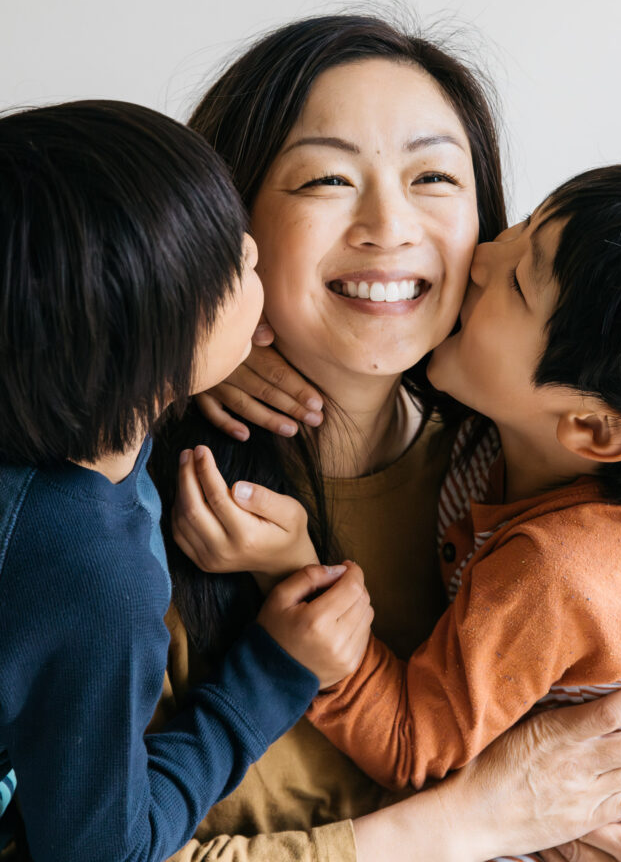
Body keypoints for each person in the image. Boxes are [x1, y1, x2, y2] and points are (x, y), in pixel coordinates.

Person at [152, 16, 621, 861]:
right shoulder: (136, 505)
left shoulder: (555, 486)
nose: (389, 226)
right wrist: (473, 821)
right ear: (225, 222)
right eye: (326, 179)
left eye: (432, 176)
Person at [0, 100, 375, 861]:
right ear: (145, 342)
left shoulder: (59, 423)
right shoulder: (93, 577)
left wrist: (184, 373)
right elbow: (103, 852)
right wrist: (273, 675)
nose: (251, 248)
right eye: (229, 268)